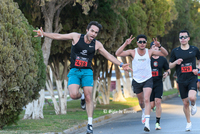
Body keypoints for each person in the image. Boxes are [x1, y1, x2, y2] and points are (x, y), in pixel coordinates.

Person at [33, 21, 132, 134]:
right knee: (73, 94)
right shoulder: (76, 37)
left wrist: (120, 64)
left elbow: (108, 55)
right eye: (92, 31)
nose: (93, 34)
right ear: (87, 30)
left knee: (89, 96)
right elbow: (59, 36)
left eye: (96, 33)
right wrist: (44, 34)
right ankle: (82, 97)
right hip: (75, 71)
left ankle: (90, 124)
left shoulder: (97, 44)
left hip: (87, 72)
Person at [115, 34, 168, 132]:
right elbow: (118, 53)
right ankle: (143, 110)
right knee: (141, 101)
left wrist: (159, 46)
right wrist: (125, 43)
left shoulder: (150, 51)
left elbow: (165, 53)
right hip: (137, 80)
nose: (142, 43)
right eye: (140, 42)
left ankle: (147, 124)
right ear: (137, 43)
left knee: (147, 99)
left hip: (148, 79)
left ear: (146, 43)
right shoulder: (132, 52)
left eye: (144, 42)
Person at [169, 30, 200, 131]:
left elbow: (199, 62)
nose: (183, 39)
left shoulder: (194, 49)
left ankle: (194, 104)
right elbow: (169, 65)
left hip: (192, 78)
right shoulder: (175, 51)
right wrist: (176, 62)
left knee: (191, 98)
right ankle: (188, 122)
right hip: (181, 80)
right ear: (179, 39)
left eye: (185, 37)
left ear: (188, 38)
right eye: (181, 37)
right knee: (185, 103)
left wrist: (198, 69)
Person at [150, 41, 171, 130]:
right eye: (153, 46)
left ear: (159, 48)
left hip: (158, 82)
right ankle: (153, 107)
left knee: (158, 102)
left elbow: (168, 70)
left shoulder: (162, 59)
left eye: (156, 46)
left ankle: (157, 123)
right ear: (150, 48)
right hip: (149, 83)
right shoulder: (147, 58)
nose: (155, 48)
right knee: (151, 105)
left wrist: (167, 73)